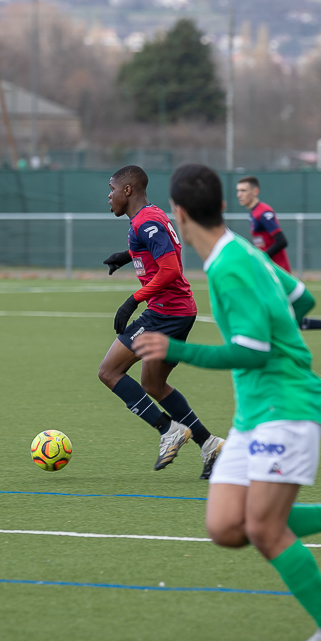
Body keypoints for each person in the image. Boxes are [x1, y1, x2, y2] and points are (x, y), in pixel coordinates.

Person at [134, 163, 321, 641]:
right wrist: (280, 329)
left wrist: (174, 350)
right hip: (255, 414)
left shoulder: (229, 267)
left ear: (178, 214)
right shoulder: (243, 251)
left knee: (264, 529)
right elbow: (303, 298)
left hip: (287, 407)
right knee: (226, 526)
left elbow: (251, 353)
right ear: (221, 206)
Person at [98, 164, 225, 479]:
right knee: (153, 384)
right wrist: (127, 255)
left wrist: (133, 300)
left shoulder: (147, 221)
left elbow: (170, 270)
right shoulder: (148, 216)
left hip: (166, 312)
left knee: (109, 372)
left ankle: (168, 429)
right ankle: (210, 445)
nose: (109, 196)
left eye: (112, 189)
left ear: (128, 190)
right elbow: (160, 250)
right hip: (177, 311)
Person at [236, 176, 321, 348]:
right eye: (238, 191)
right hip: (268, 273)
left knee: (279, 319)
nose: (239, 194)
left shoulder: (263, 212)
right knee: (286, 317)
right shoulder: (253, 213)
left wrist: (261, 258)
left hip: (277, 273)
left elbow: (281, 241)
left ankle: (283, 350)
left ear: (255, 191)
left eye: (243, 190)